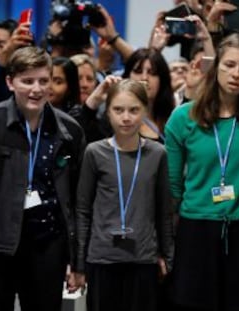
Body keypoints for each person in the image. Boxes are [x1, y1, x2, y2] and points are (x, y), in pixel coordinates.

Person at [0, 46, 85, 311]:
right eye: (27, 81)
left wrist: (77, 260)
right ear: (10, 82)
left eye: (43, 81)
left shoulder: (70, 130)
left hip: (48, 245)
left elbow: (78, 200)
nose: (36, 89)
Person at [165, 33, 239, 311]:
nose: (237, 74)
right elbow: (173, 186)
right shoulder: (183, 117)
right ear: (216, 67)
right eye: (230, 65)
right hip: (195, 228)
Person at [75, 79, 174, 311]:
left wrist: (167, 257)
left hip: (143, 258)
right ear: (108, 112)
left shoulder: (157, 154)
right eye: (118, 110)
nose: (126, 117)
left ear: (144, 111)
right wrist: (79, 263)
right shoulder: (95, 152)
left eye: (134, 110)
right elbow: (83, 209)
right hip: (102, 258)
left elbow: (164, 209)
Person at [122, 48, 175, 143]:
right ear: (127, 77)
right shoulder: (117, 119)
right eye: (138, 71)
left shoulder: (173, 119)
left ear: (162, 80)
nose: (144, 78)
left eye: (152, 73)